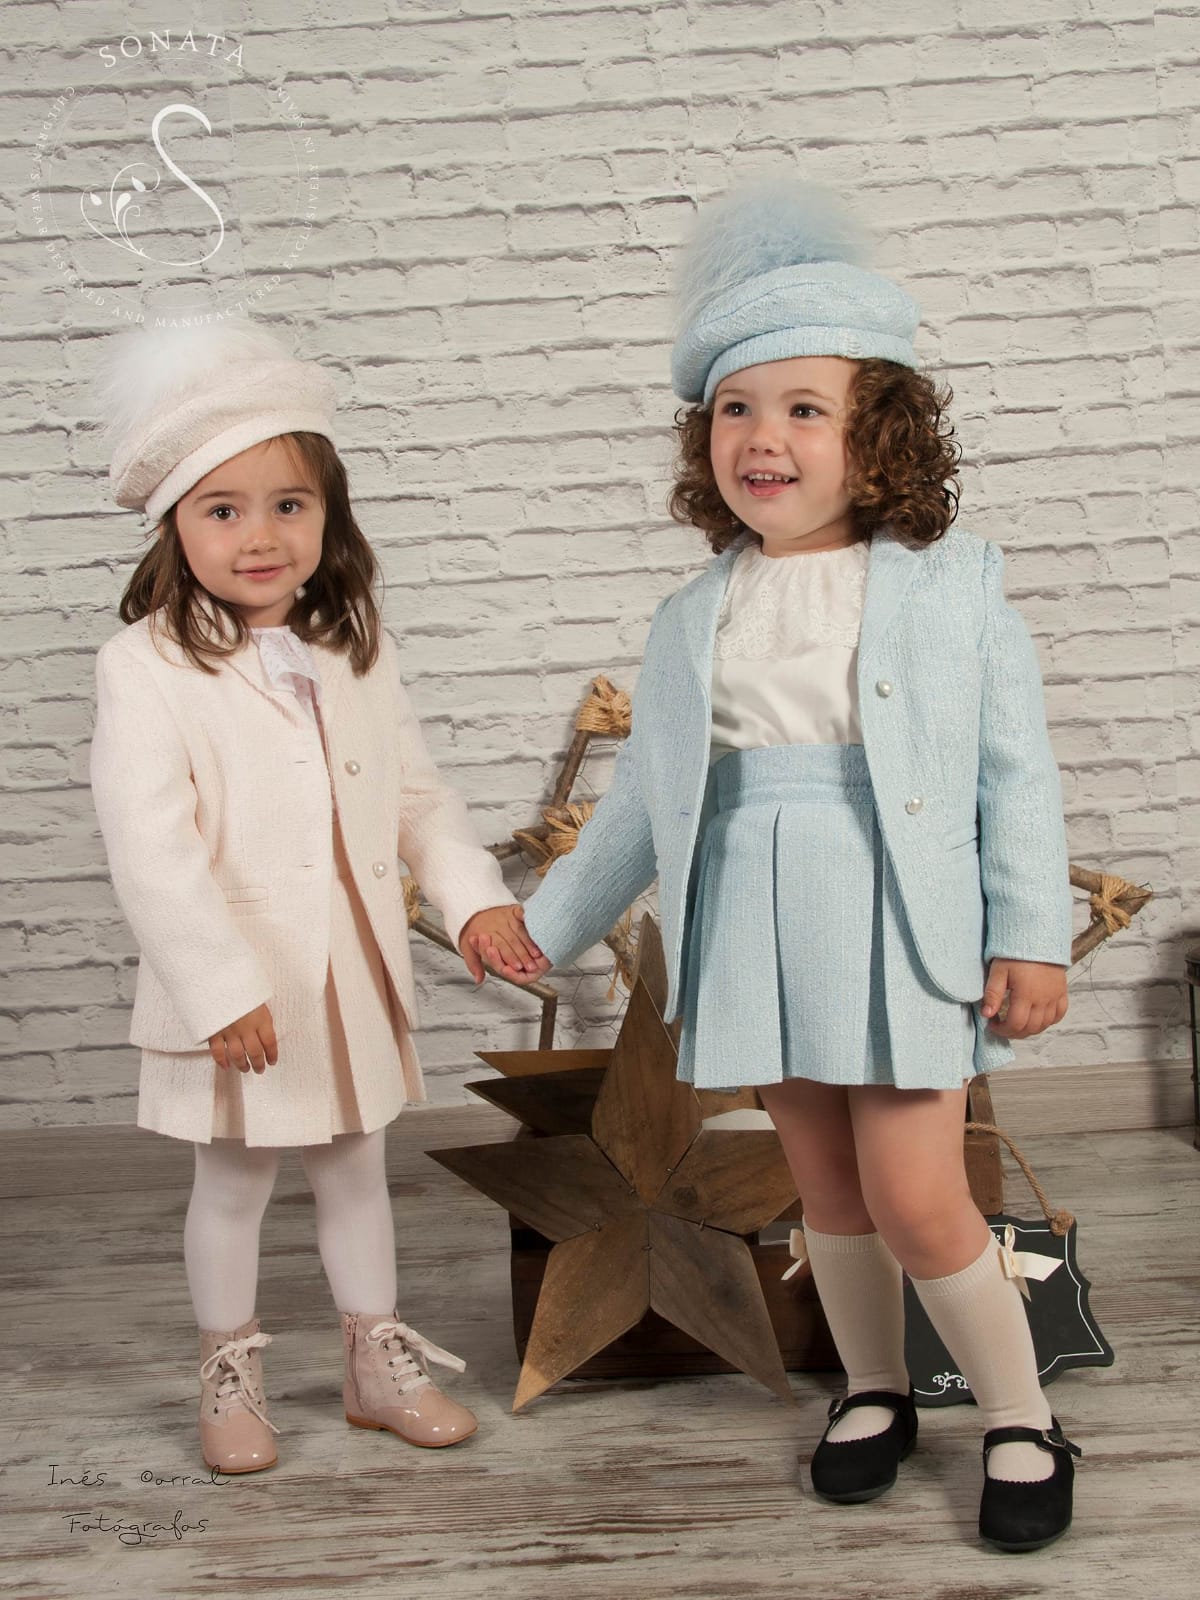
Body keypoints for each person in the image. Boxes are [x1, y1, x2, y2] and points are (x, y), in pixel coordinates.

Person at [474, 184, 1081, 1553]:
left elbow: (1014, 774)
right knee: (830, 1191)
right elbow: (648, 798)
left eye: (807, 407)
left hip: (898, 914)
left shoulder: (952, 585)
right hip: (756, 917)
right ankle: (873, 1390)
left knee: (920, 1193)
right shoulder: (696, 615)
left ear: (881, 435)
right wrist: (544, 923)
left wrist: (1032, 931)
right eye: (737, 408)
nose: (765, 436)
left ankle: (1022, 1415)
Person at [88, 318, 548, 1474]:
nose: (260, 536)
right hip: (243, 985)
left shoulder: (353, 645)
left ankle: (371, 1361)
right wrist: (216, 989)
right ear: (174, 522)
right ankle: (228, 1372)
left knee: (355, 1165)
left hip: (346, 968)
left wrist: (472, 900)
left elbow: (416, 795)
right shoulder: (145, 665)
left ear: (328, 515)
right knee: (233, 1181)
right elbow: (150, 847)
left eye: (289, 505)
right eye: (223, 509)